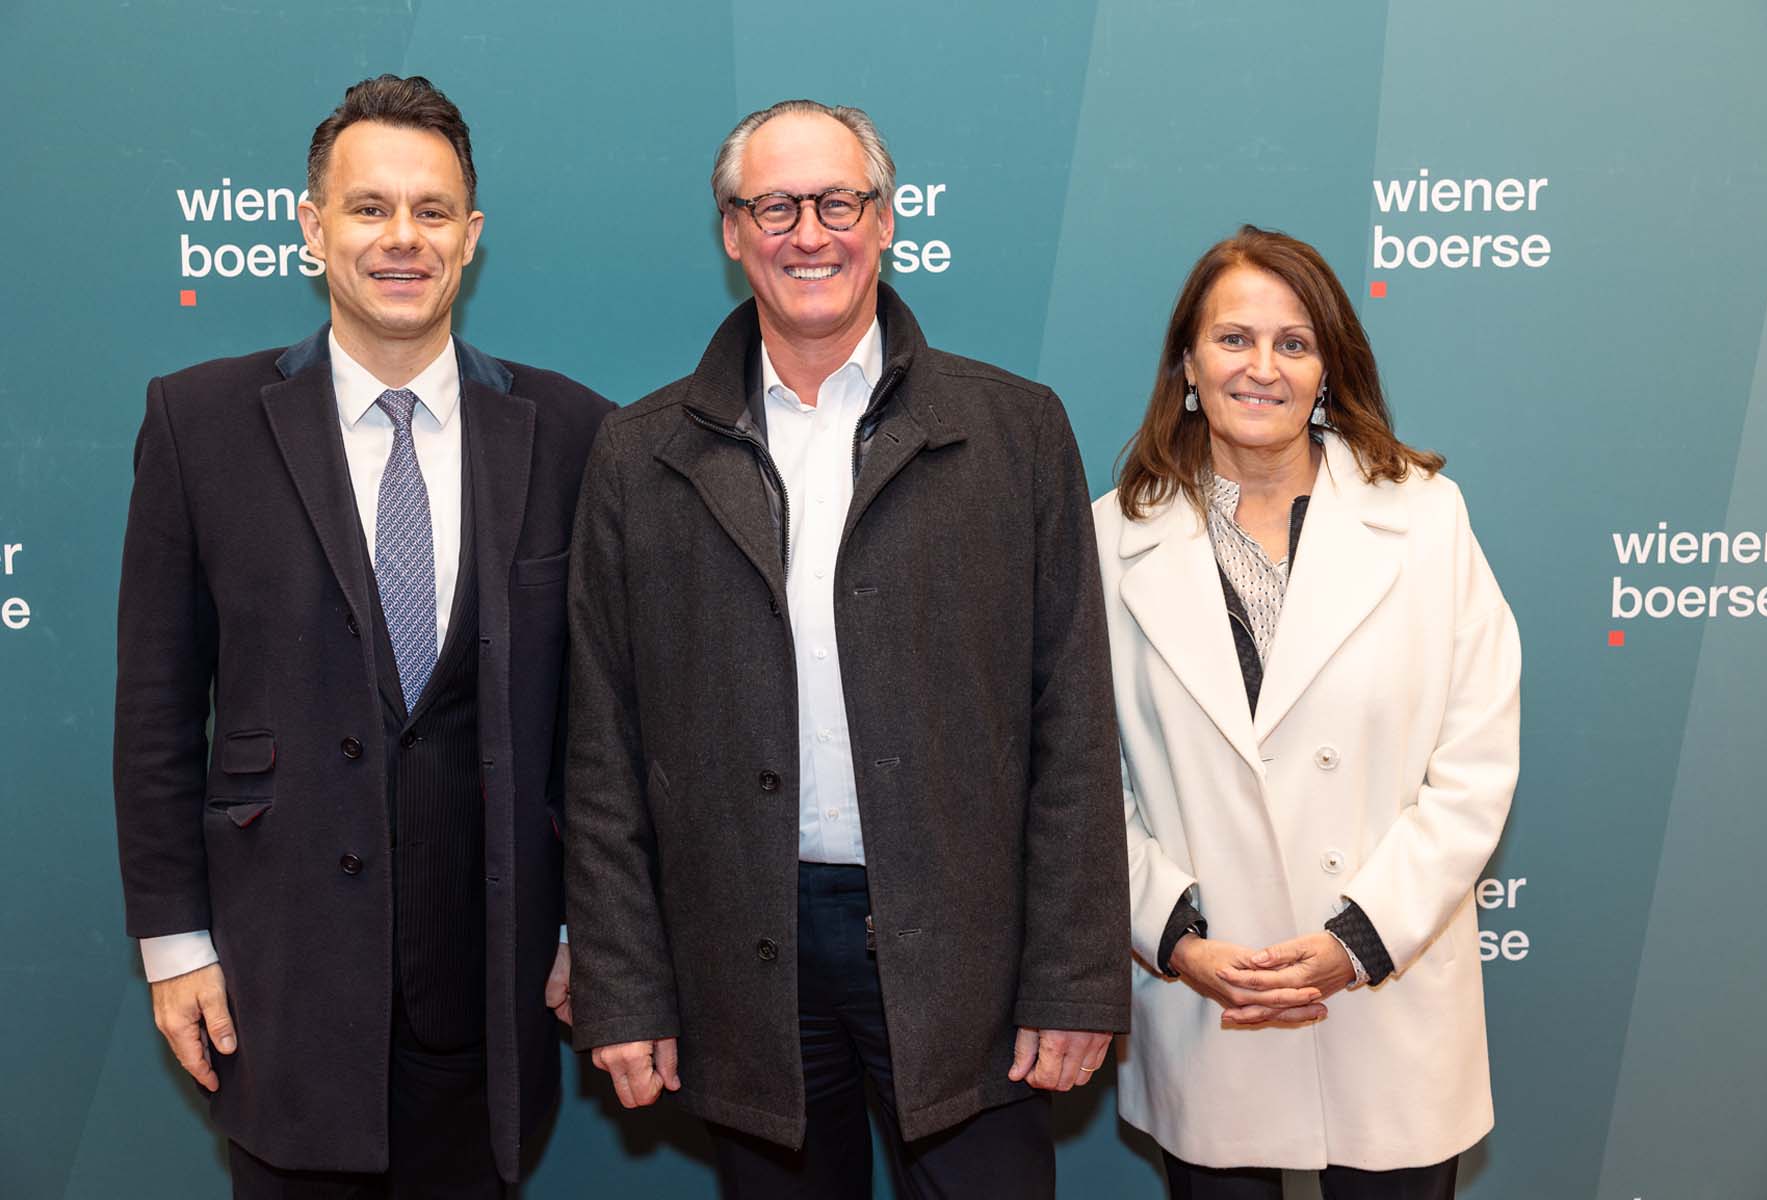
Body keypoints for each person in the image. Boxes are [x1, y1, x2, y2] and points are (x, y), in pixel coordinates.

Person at [562, 99, 1129, 1199]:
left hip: (969, 958)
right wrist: (623, 986)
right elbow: (603, 748)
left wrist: (1073, 976)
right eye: (775, 207)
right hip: (743, 961)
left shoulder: (1015, 431)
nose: (809, 234)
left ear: (886, 219)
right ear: (733, 232)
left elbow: (1071, 723)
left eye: (837, 202)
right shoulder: (640, 456)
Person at [112, 74, 612, 1196]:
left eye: (432, 212)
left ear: (470, 237)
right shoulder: (198, 423)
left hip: (489, 993)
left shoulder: (575, 431)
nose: (402, 238)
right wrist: (174, 943)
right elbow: (155, 711)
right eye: (370, 207)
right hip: (280, 986)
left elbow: (599, 724)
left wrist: (588, 926)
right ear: (312, 227)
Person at [1093, 226, 1520, 1200]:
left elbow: (1477, 760)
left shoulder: (1426, 518)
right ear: (1187, 363)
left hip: (1384, 993)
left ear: (1329, 369)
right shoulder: (1110, 540)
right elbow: (1082, 778)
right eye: (1233, 338)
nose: (1262, 367)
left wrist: (1360, 940)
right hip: (1212, 996)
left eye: (1294, 343)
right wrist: (1177, 937)